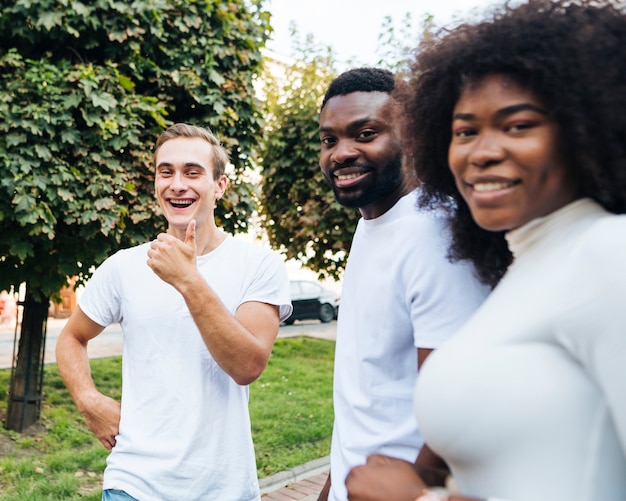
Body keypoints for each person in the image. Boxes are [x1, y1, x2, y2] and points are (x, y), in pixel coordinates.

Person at [344, 1, 626, 500]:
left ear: (587, 128)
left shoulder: (607, 252)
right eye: (465, 131)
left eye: (517, 126)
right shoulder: (525, 269)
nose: (483, 151)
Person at [55, 123, 292, 501]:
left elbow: (247, 365)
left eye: (193, 172)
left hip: (223, 487)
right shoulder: (124, 266)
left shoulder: (258, 265)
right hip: (133, 484)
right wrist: (89, 400)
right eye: (166, 172)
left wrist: (188, 280)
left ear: (220, 186)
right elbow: (72, 337)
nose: (177, 184)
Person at [316, 67, 489, 501]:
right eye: (329, 139)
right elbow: (365, 395)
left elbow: (459, 407)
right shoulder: (372, 223)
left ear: (411, 136)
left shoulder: (435, 233)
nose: (341, 153)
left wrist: (412, 491)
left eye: (365, 133)